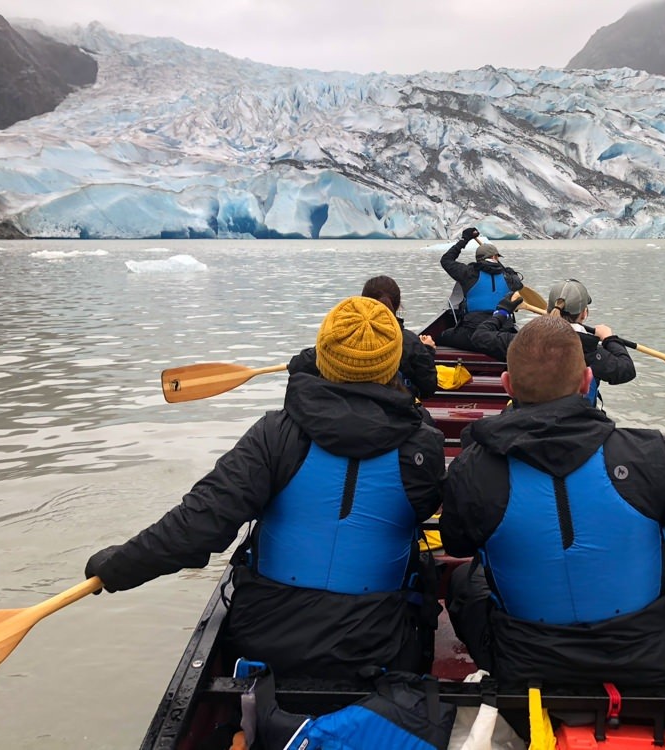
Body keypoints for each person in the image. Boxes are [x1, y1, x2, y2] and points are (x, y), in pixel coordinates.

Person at [85, 297, 447, 680]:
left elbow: (197, 526)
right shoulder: (423, 446)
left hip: (266, 637)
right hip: (375, 644)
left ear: (323, 356)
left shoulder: (274, 435)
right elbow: (438, 518)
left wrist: (117, 567)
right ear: (393, 364)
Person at [439, 315, 665, 688]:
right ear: (586, 381)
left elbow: (458, 542)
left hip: (527, 670)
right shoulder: (650, 457)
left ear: (507, 385)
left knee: (464, 579)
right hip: (647, 668)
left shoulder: (472, 469)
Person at [470, 278, 635, 408]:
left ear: (549, 309)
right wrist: (609, 339)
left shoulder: (522, 342)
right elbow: (626, 369)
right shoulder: (591, 350)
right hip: (577, 430)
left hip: (527, 425)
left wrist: (502, 312)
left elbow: (480, 336)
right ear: (584, 314)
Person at [287, 276, 438, 401]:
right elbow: (428, 387)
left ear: (362, 302)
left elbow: (296, 366)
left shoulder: (339, 340)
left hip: (337, 410)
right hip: (392, 413)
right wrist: (427, 351)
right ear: (398, 306)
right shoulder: (410, 341)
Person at [437, 226, 524, 351]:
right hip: (501, 332)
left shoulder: (468, 273)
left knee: (441, 337)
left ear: (478, 259)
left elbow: (446, 260)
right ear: (495, 258)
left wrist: (464, 240)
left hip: (471, 333)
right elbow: (519, 286)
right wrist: (510, 272)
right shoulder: (510, 278)